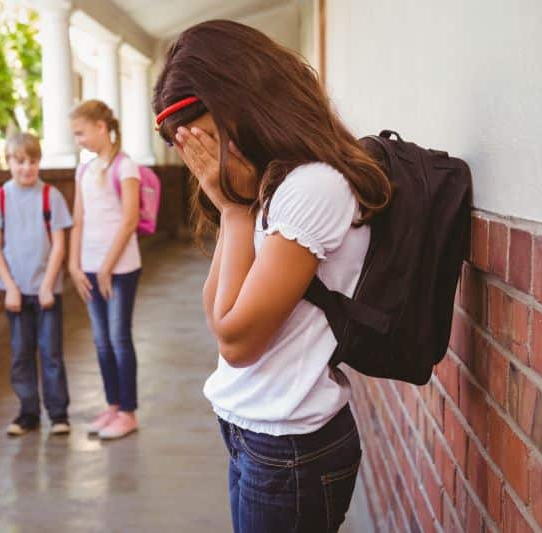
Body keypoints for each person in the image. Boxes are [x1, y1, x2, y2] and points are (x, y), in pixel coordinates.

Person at [152, 20, 392, 532]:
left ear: (249, 101)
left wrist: (234, 213)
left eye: (212, 138)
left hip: (290, 451)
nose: (207, 161)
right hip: (254, 433)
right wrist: (236, 205)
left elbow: (237, 341)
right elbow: (215, 305)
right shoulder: (274, 183)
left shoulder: (313, 187)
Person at [0, 133, 73, 436]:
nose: (26, 168)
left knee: (51, 354)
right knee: (21, 353)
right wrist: (10, 287)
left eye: (33, 161)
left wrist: (48, 285)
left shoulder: (51, 196)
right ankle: (27, 413)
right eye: (20, 162)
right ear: (8, 162)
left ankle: (58, 414)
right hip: (16, 293)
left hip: (47, 292)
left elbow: (59, 244)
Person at [69, 100, 142, 440]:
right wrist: (74, 264)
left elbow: (129, 220)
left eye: (80, 132)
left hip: (121, 269)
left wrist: (107, 267)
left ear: (101, 127)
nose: (78, 140)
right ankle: (112, 405)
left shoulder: (125, 167)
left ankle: (128, 411)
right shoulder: (83, 170)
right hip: (90, 268)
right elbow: (79, 220)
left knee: (118, 338)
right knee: (100, 342)